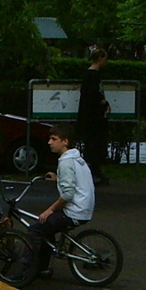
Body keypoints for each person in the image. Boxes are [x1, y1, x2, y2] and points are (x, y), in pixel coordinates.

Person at [31, 126, 95, 274]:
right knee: (47, 230)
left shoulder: (65, 162)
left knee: (36, 228)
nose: (49, 142)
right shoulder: (77, 159)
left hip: (74, 211)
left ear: (65, 141)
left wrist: (49, 210)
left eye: (54, 139)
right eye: (49, 138)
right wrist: (58, 179)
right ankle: (43, 267)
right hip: (85, 208)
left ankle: (31, 268)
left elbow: (67, 195)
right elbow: (75, 181)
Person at [77, 46, 110, 184]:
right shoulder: (92, 76)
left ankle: (95, 170)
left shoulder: (91, 76)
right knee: (92, 144)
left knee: (93, 144)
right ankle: (91, 171)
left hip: (92, 116)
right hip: (92, 117)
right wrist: (102, 102)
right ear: (100, 58)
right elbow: (92, 95)